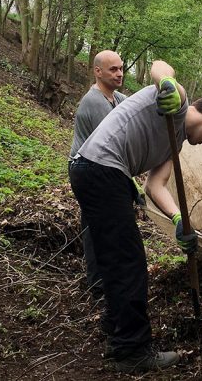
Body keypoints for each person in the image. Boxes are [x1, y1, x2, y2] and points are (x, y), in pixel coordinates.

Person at [68, 60, 202, 373]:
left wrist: (178, 219)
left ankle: (116, 327)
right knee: (130, 263)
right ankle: (132, 350)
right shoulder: (179, 104)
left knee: (117, 259)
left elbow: (155, 185)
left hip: (94, 172)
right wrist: (168, 85)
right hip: (102, 169)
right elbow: (160, 67)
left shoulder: (176, 141)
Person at [67, 50, 146, 299]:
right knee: (95, 225)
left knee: (100, 223)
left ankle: (103, 278)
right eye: (113, 69)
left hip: (103, 167)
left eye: (121, 68)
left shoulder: (117, 98)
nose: (120, 73)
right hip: (87, 168)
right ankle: (98, 282)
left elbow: (137, 111)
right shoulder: (94, 102)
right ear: (97, 71)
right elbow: (116, 142)